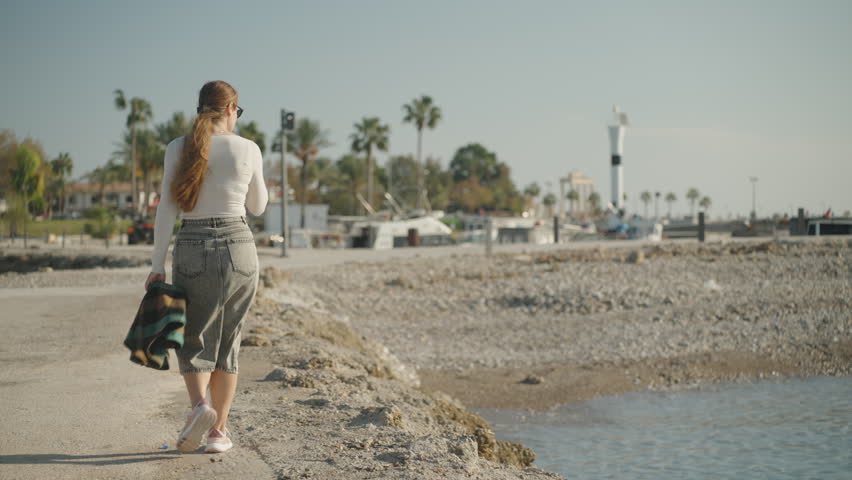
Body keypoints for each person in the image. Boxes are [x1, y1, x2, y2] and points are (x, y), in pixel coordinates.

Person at [144, 80, 268, 454]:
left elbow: (166, 207)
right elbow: (259, 206)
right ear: (231, 110)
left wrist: (156, 264)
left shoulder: (178, 148)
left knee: (195, 335)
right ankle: (219, 433)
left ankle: (200, 408)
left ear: (201, 109)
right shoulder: (248, 149)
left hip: (192, 244)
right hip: (239, 246)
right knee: (228, 341)